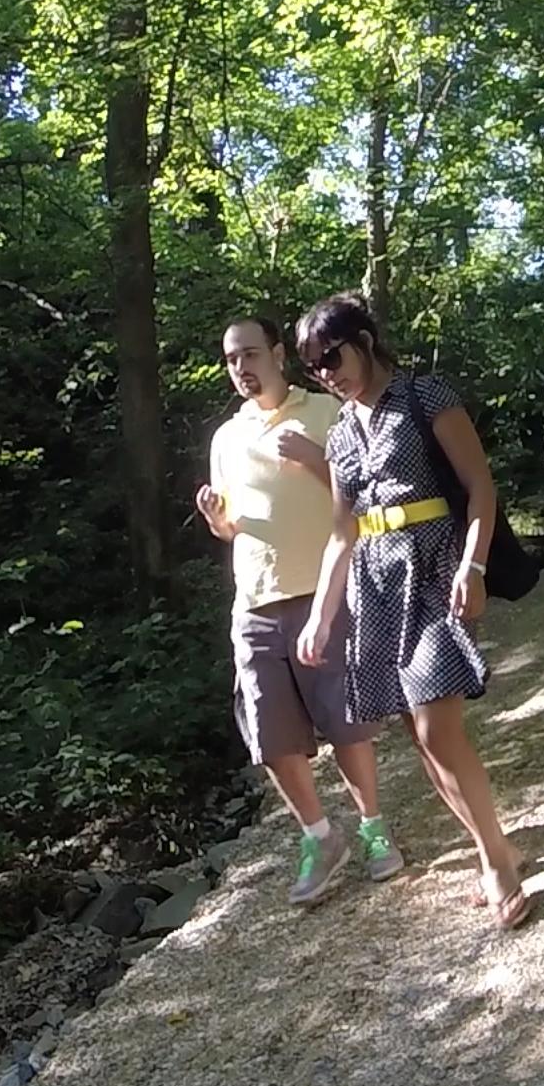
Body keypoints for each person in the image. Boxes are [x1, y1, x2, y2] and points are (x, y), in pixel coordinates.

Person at [292, 293, 534, 931]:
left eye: (331, 355)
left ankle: (496, 864)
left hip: (433, 569)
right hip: (372, 584)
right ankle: (496, 845)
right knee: (417, 736)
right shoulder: (340, 431)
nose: (325, 371)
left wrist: (472, 567)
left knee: (436, 727)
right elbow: (342, 531)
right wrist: (321, 614)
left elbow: (480, 487)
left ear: (364, 340)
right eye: (313, 366)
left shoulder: (428, 394)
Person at [195, 316, 399, 908]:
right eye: (232, 359)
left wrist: (315, 457)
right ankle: (320, 835)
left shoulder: (325, 412)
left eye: (251, 354)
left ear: (279, 355)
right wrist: (217, 519)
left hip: (323, 591)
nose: (241, 367)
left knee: (346, 723)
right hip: (254, 602)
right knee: (270, 735)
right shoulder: (226, 438)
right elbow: (233, 526)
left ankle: (374, 829)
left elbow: (364, 490)